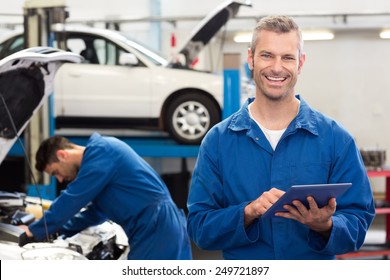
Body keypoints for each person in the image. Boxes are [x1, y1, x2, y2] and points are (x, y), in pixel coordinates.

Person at [186, 15, 375, 260]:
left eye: (287, 57)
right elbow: (199, 227)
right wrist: (248, 212)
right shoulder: (218, 142)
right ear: (251, 58)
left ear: (300, 63)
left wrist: (325, 226)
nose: (276, 67)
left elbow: (359, 222)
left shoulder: (336, 140)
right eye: (267, 55)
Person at [22, 132, 192, 260]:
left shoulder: (101, 152)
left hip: (155, 227)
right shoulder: (99, 164)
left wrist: (33, 231)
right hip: (161, 226)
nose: (59, 179)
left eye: (56, 172)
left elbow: (72, 198)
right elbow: (95, 213)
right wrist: (59, 231)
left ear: (62, 155)